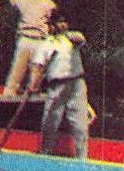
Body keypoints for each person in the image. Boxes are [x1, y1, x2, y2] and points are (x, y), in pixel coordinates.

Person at [30, 13, 89, 160]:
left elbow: (80, 39)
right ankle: (45, 152)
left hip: (76, 84)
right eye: (59, 23)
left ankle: (82, 158)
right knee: (51, 120)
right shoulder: (45, 45)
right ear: (52, 25)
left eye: (65, 23)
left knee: (79, 123)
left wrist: (70, 36)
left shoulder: (73, 39)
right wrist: (32, 85)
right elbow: (37, 67)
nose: (62, 25)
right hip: (56, 85)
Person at [2, 0, 56, 96]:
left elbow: (11, 1)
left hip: (25, 41)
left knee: (16, 74)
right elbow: (53, 16)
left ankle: (8, 94)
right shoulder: (49, 4)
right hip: (39, 43)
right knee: (36, 75)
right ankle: (32, 96)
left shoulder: (23, 1)